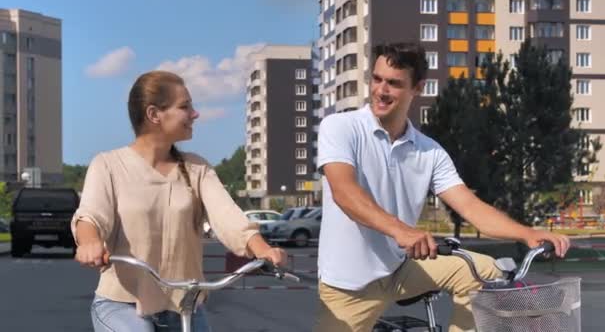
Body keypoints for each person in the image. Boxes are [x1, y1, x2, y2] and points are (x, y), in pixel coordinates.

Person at [314, 42, 571, 332]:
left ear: (417, 88)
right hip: (349, 285)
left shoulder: (429, 151)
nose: (381, 91)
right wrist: (402, 231)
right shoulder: (340, 127)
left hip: (400, 268)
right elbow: (345, 193)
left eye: (394, 84)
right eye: (377, 79)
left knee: (486, 273)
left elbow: (470, 206)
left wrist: (527, 233)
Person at [72, 70, 287, 332]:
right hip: (123, 304)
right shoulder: (108, 165)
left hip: (184, 305)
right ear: (154, 115)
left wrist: (261, 248)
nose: (195, 114)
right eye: (185, 106)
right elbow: (91, 215)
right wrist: (90, 242)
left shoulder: (197, 168)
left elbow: (228, 216)